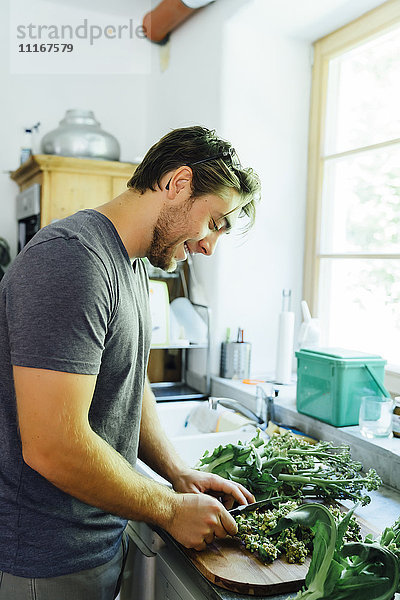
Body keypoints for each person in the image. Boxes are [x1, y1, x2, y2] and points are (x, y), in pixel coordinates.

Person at [0, 125, 261, 599]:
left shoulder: (133, 264)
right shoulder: (71, 260)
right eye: (216, 222)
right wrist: (167, 508)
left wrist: (177, 474)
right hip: (42, 557)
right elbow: (52, 446)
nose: (208, 246)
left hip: (98, 539)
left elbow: (128, 384)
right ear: (178, 183)